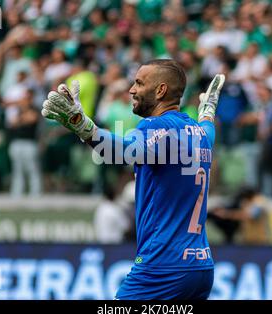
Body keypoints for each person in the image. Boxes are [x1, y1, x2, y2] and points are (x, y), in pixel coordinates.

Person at [41, 59, 224, 300]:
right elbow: (207, 126)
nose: (131, 89)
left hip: (162, 267)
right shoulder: (200, 134)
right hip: (200, 268)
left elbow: (122, 150)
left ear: (160, 90)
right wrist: (208, 109)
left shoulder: (156, 127)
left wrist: (82, 125)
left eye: (139, 83)